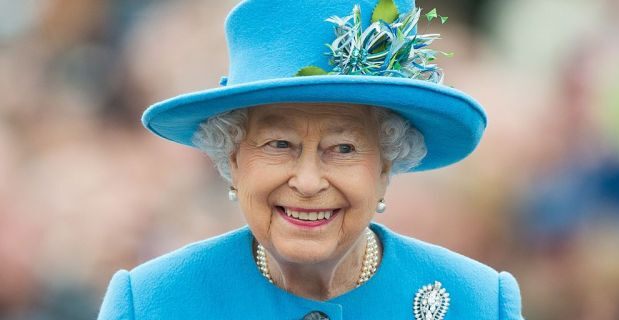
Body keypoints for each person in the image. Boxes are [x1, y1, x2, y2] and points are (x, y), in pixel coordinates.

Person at [98, 0, 523, 319]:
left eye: (342, 148)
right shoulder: (153, 302)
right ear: (232, 157)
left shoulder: (478, 302)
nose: (307, 181)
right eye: (279, 144)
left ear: (386, 165)